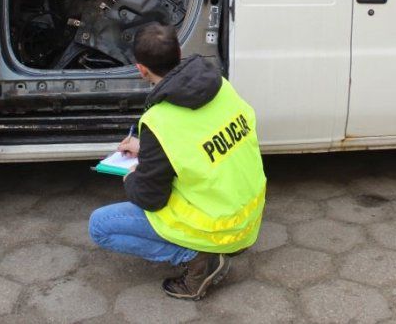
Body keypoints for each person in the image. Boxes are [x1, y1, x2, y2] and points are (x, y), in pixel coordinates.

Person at [89, 23, 266, 300]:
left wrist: (131, 177)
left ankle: (197, 258)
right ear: (179, 52)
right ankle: (212, 249)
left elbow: (151, 198)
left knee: (99, 226)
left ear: (141, 69)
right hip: (247, 221)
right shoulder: (221, 87)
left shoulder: (161, 120)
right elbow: (197, 141)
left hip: (219, 227)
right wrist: (146, 148)